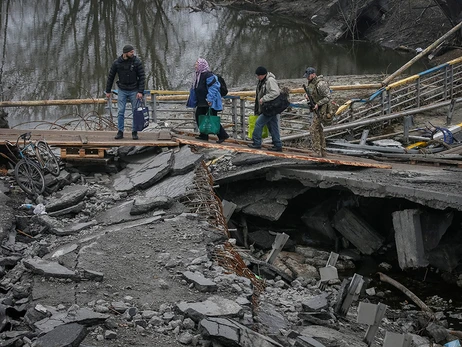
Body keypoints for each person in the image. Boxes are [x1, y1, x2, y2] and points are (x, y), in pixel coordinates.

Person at [105, 44, 146, 140]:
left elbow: (142, 77)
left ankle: (134, 132)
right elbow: (111, 77)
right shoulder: (117, 63)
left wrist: (140, 91)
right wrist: (108, 90)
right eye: (131, 52)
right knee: (120, 111)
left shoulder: (137, 62)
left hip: (134, 90)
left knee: (135, 111)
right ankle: (120, 131)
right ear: (125, 53)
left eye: (133, 52)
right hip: (122, 89)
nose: (133, 53)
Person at [189, 58, 229, 143]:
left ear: (201, 65)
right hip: (201, 102)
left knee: (212, 118)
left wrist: (209, 99)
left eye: (197, 64)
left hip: (209, 101)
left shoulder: (208, 75)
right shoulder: (198, 76)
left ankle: (223, 136)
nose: (195, 66)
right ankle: (203, 135)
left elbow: (214, 87)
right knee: (199, 116)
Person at [248, 66, 283, 152]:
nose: (257, 77)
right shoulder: (263, 81)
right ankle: (277, 145)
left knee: (259, 123)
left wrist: (264, 99)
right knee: (273, 126)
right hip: (269, 107)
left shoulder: (270, 81)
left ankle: (256, 143)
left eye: (258, 75)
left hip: (270, 107)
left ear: (262, 75)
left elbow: (276, 92)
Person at [303, 67, 333, 157]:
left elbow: (328, 97)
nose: (307, 78)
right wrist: (308, 96)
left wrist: (318, 104)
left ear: (313, 74)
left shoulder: (321, 84)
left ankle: (317, 151)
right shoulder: (312, 83)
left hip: (323, 109)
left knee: (313, 129)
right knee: (319, 129)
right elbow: (312, 93)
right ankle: (323, 151)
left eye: (308, 76)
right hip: (317, 109)